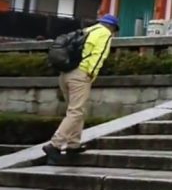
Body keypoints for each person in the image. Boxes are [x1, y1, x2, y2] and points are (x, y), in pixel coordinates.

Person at [43, 14, 118, 161]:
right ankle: (55, 145)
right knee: (76, 111)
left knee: (76, 110)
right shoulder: (105, 33)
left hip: (65, 74)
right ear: (112, 27)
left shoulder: (86, 30)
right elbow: (99, 55)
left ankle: (73, 144)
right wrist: (91, 74)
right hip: (81, 74)